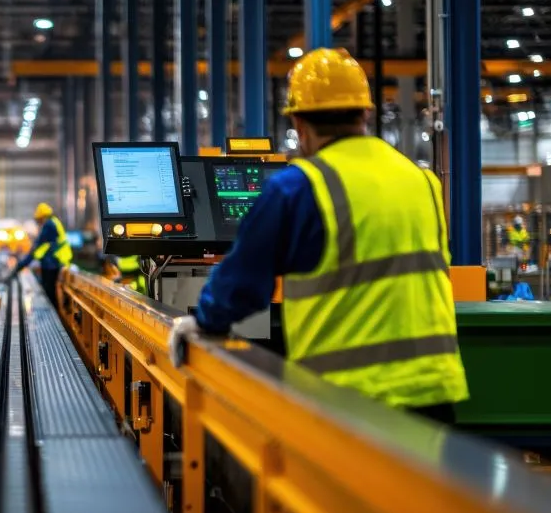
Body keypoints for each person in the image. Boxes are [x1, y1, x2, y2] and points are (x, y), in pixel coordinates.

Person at [167, 48, 469, 424]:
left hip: (348, 404)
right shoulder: (422, 181)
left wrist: (202, 321)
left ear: (299, 123)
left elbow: (243, 285)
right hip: (433, 397)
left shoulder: (297, 189)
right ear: (366, 114)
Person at [9, 203, 72, 308]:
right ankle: (52, 309)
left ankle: (51, 311)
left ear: (42, 217)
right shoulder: (54, 222)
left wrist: (20, 266)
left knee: (49, 291)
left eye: (39, 220)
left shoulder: (49, 225)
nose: (39, 223)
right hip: (55, 261)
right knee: (50, 290)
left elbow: (37, 246)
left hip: (52, 263)